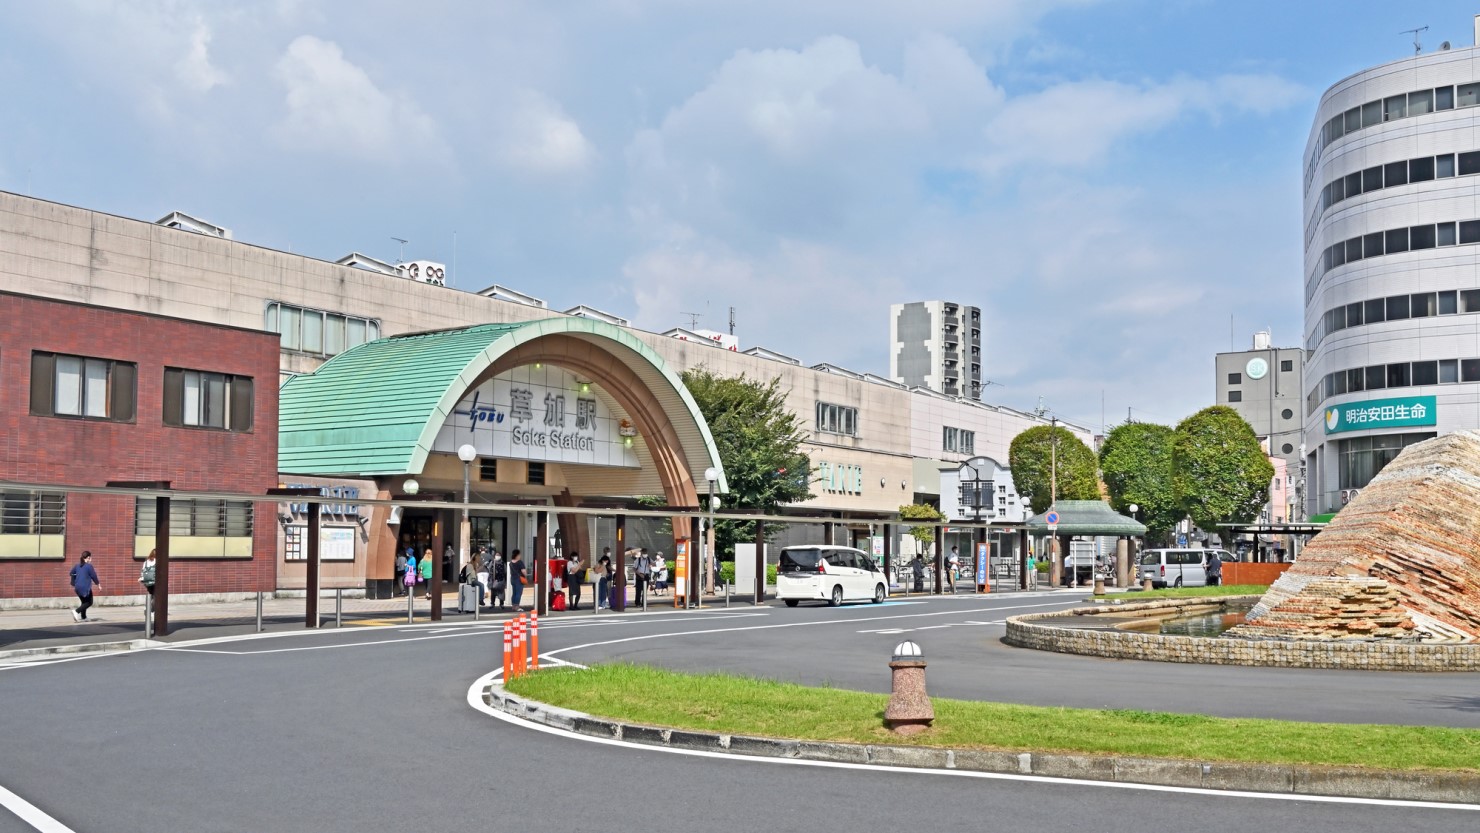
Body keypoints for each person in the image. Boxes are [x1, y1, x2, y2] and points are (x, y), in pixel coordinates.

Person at [70, 551, 101, 622]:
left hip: (77, 587)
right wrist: (98, 584)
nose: (91, 559)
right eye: (91, 557)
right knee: (89, 602)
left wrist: (74, 582)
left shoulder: (77, 565)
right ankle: (76, 611)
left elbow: (71, 573)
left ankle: (83, 617)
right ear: (88, 558)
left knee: (84, 602)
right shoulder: (89, 566)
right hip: (85, 588)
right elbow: (94, 576)